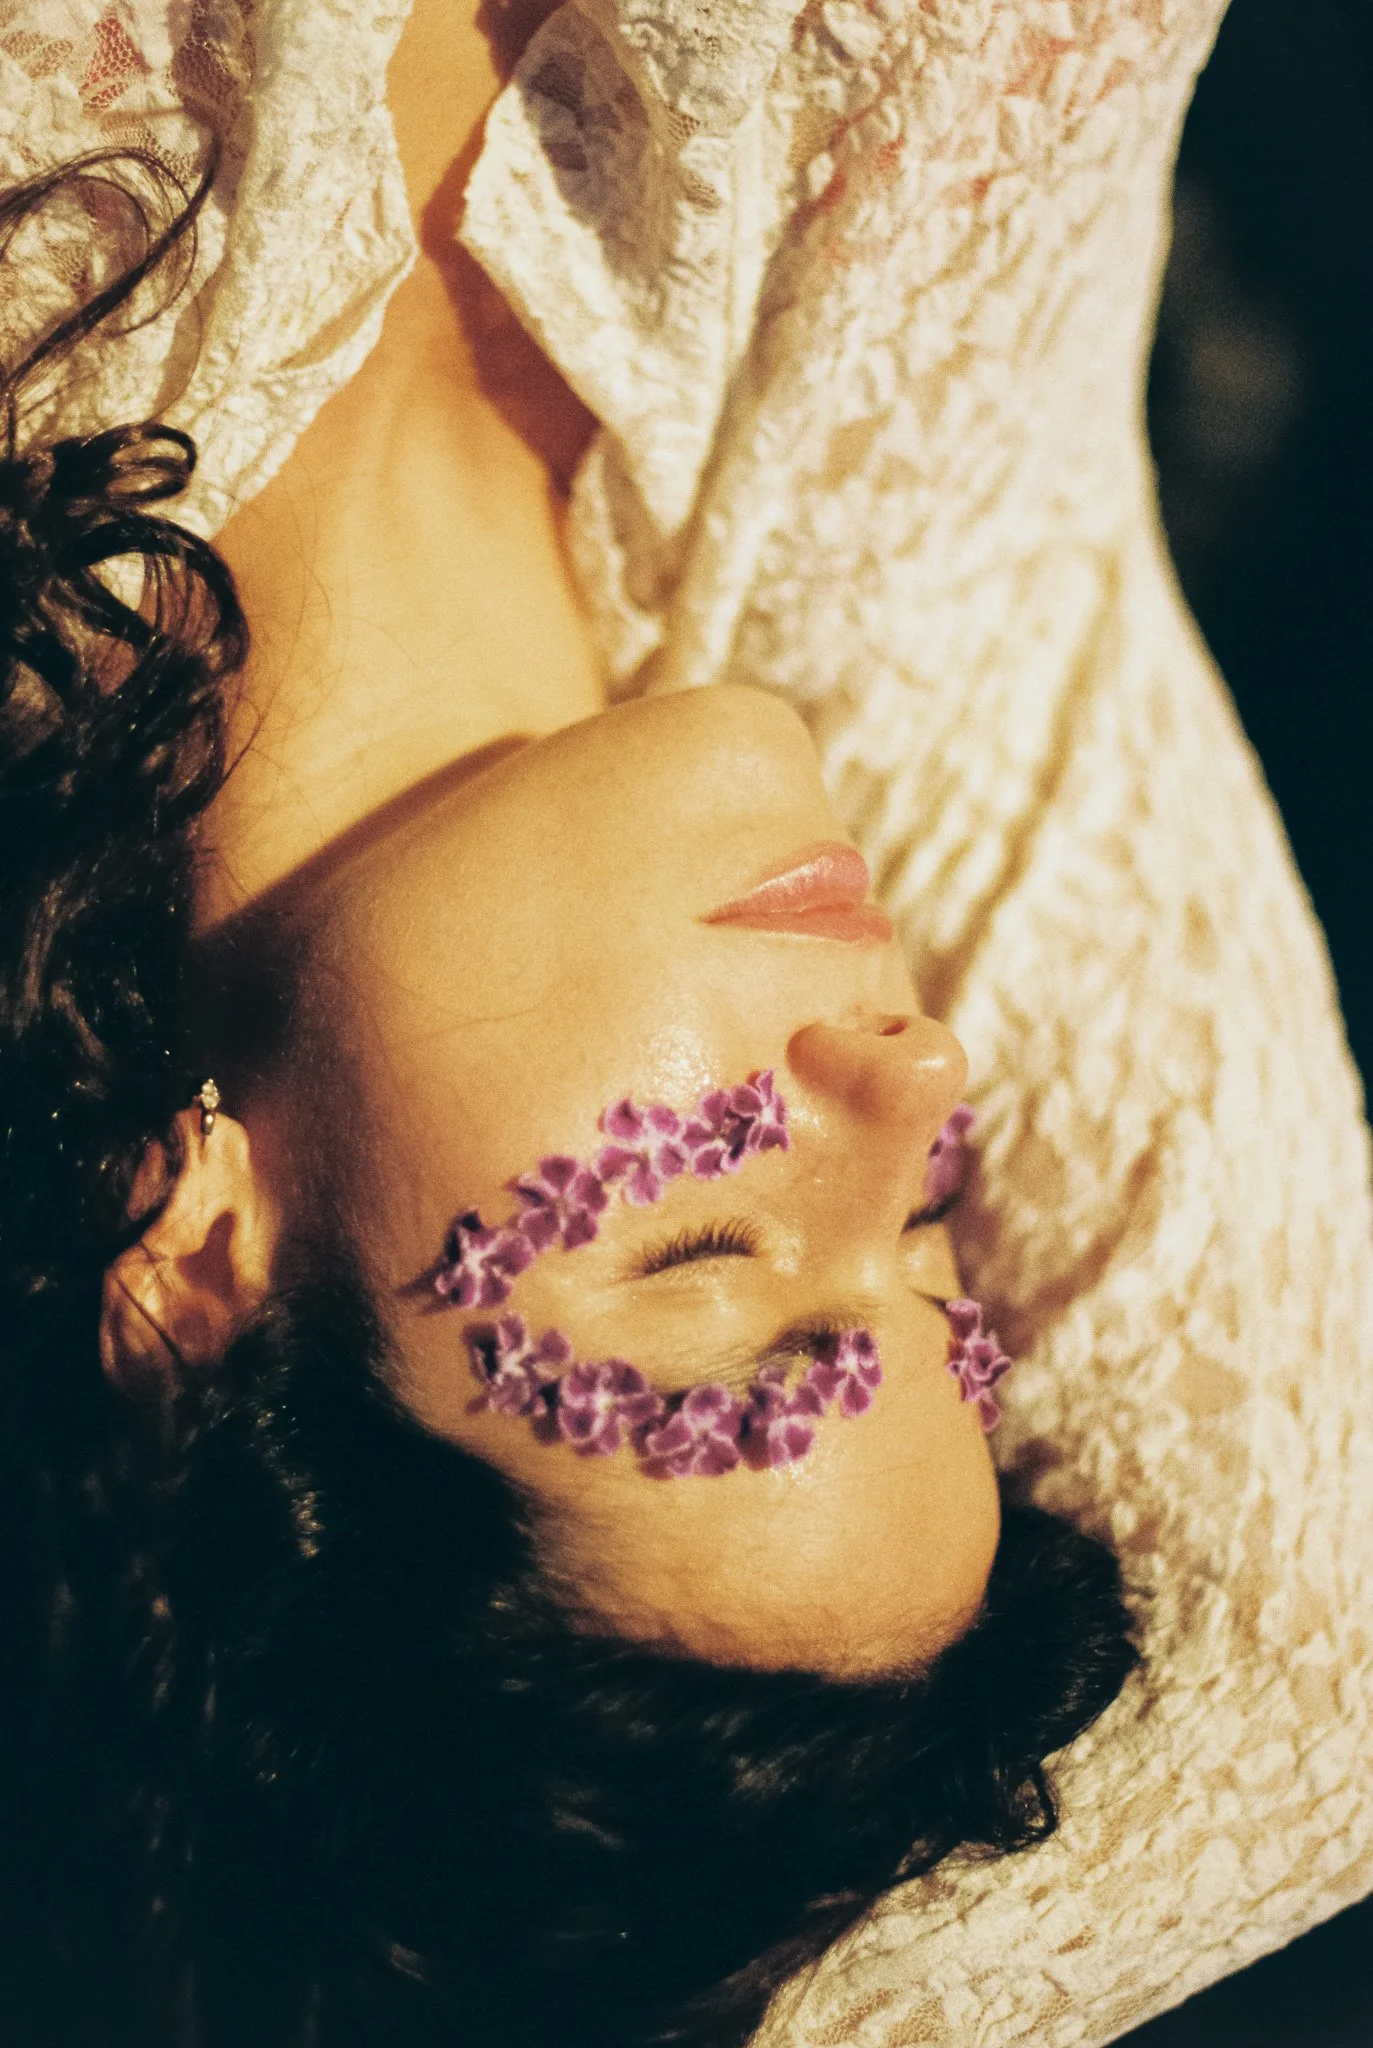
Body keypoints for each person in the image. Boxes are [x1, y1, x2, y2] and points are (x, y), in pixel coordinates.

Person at [2, 2, 1371, 2047]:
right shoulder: (899, 550)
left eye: (710, 1246)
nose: (911, 1085)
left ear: (196, 1275)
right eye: (926, 1255)